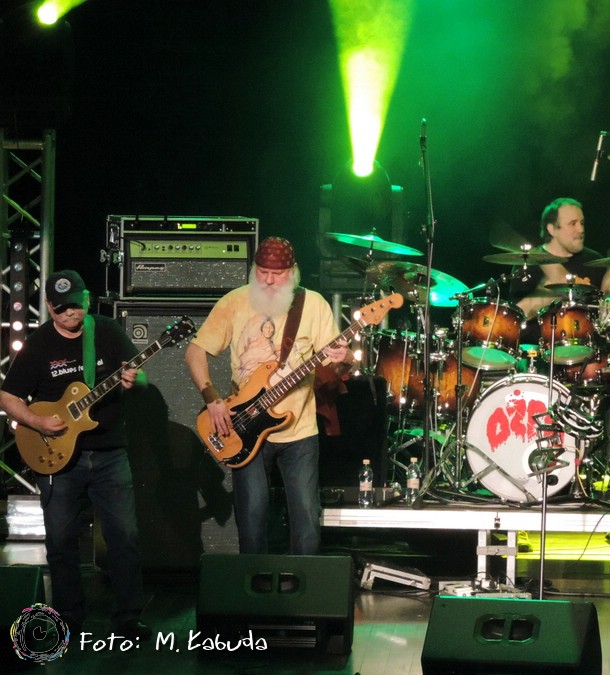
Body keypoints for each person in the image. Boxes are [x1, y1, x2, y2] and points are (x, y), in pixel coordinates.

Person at [0, 270, 149, 638]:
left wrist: (134, 380)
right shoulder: (39, 343)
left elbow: (140, 377)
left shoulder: (106, 331)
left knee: (125, 537)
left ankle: (128, 617)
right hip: (57, 456)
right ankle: (68, 615)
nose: (70, 313)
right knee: (61, 541)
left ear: (86, 299)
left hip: (110, 452)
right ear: (49, 306)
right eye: (61, 307)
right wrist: (36, 420)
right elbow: (8, 396)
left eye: (75, 305)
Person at [185, 236, 351, 555]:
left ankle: (304, 584)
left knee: (306, 519)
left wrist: (343, 358)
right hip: (245, 427)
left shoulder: (313, 304)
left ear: (293, 271)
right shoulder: (234, 302)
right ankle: (254, 583)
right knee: (251, 517)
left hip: (299, 430)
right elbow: (195, 352)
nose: (270, 280)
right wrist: (212, 398)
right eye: (263, 272)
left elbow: (336, 366)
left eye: (278, 274)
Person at [512, 197, 610, 323]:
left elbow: (606, 316)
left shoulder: (595, 261)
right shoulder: (529, 263)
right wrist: (549, 293)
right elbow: (514, 317)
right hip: (539, 335)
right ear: (552, 229)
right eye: (573, 224)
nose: (581, 229)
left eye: (582, 223)